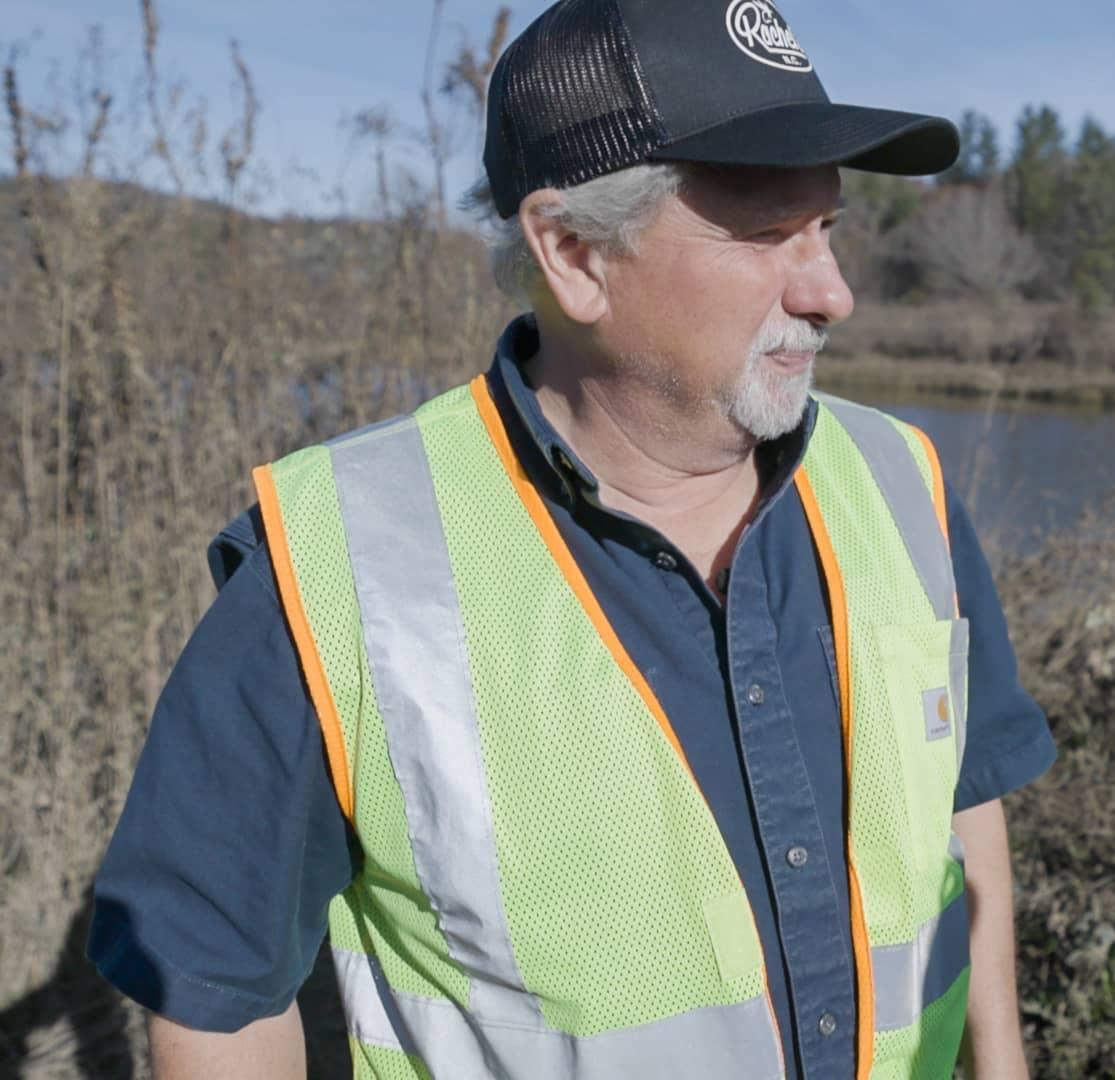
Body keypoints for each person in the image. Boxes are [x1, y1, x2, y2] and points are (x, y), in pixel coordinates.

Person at [85, 1, 1056, 1076]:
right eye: (771, 232)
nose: (834, 292)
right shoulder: (334, 568)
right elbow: (217, 996)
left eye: (828, 228)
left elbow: (966, 806)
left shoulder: (902, 483)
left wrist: (1002, 1061)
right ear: (575, 253)